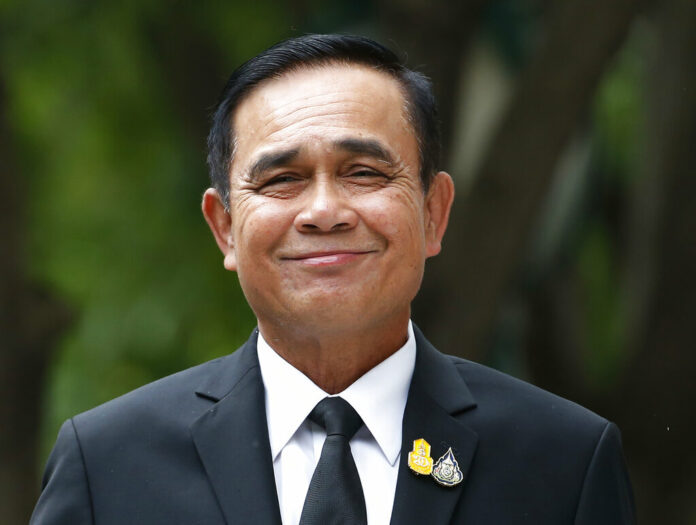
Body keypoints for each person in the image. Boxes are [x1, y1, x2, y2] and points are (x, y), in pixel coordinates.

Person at [31, 34, 636, 525]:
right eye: (281, 180)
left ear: (433, 213)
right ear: (224, 228)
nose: (324, 210)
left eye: (364, 172)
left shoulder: (562, 460)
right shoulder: (109, 465)